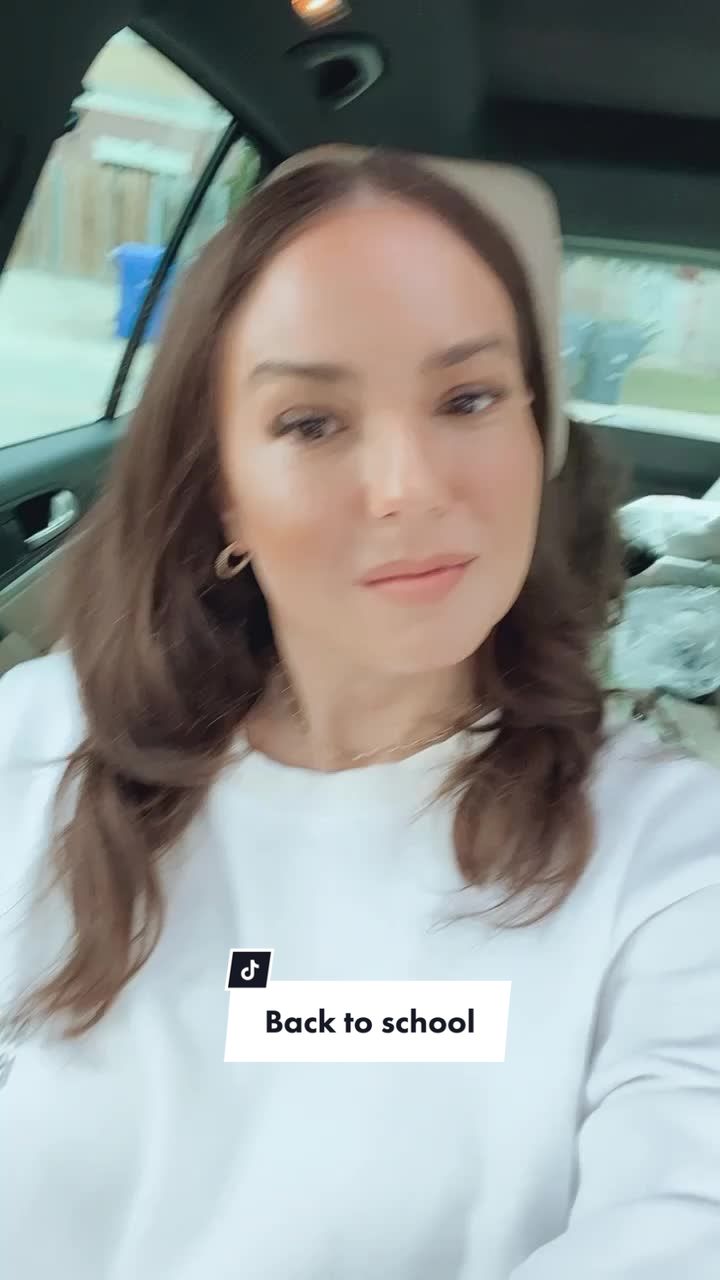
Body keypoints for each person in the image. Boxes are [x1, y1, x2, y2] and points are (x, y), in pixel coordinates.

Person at [1, 147, 719, 1280]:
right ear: (224, 491)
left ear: (537, 435)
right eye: (311, 422)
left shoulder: (675, 856)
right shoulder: (38, 743)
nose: (409, 484)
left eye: (468, 399)